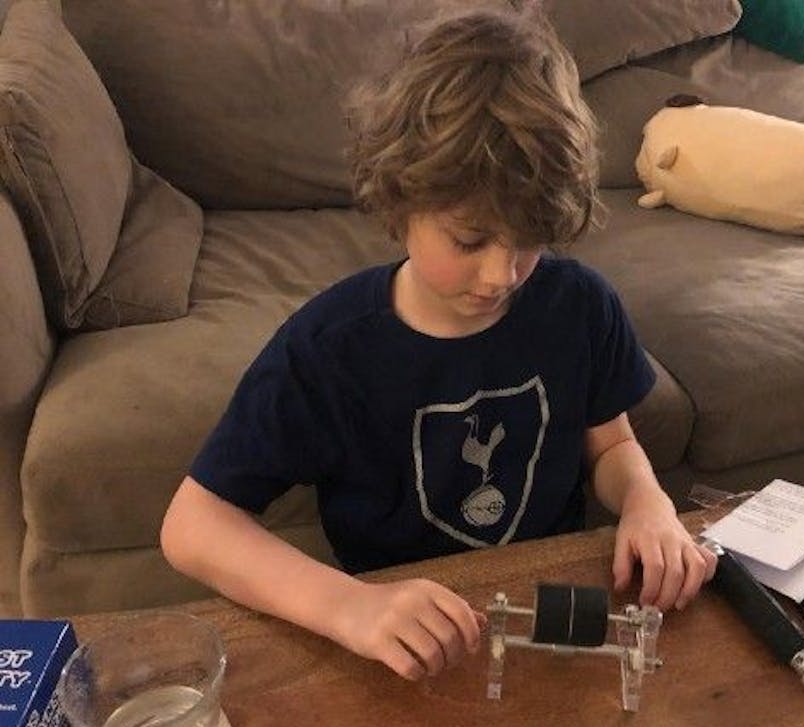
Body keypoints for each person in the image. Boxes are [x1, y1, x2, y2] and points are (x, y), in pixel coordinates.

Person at [160, 4, 717, 683]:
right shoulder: (329, 350)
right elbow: (193, 526)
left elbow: (610, 443)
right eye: (469, 240)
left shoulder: (578, 305)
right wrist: (350, 607)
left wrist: (645, 501)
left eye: (529, 241)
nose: (501, 276)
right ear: (400, 202)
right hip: (403, 643)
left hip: (547, 614)